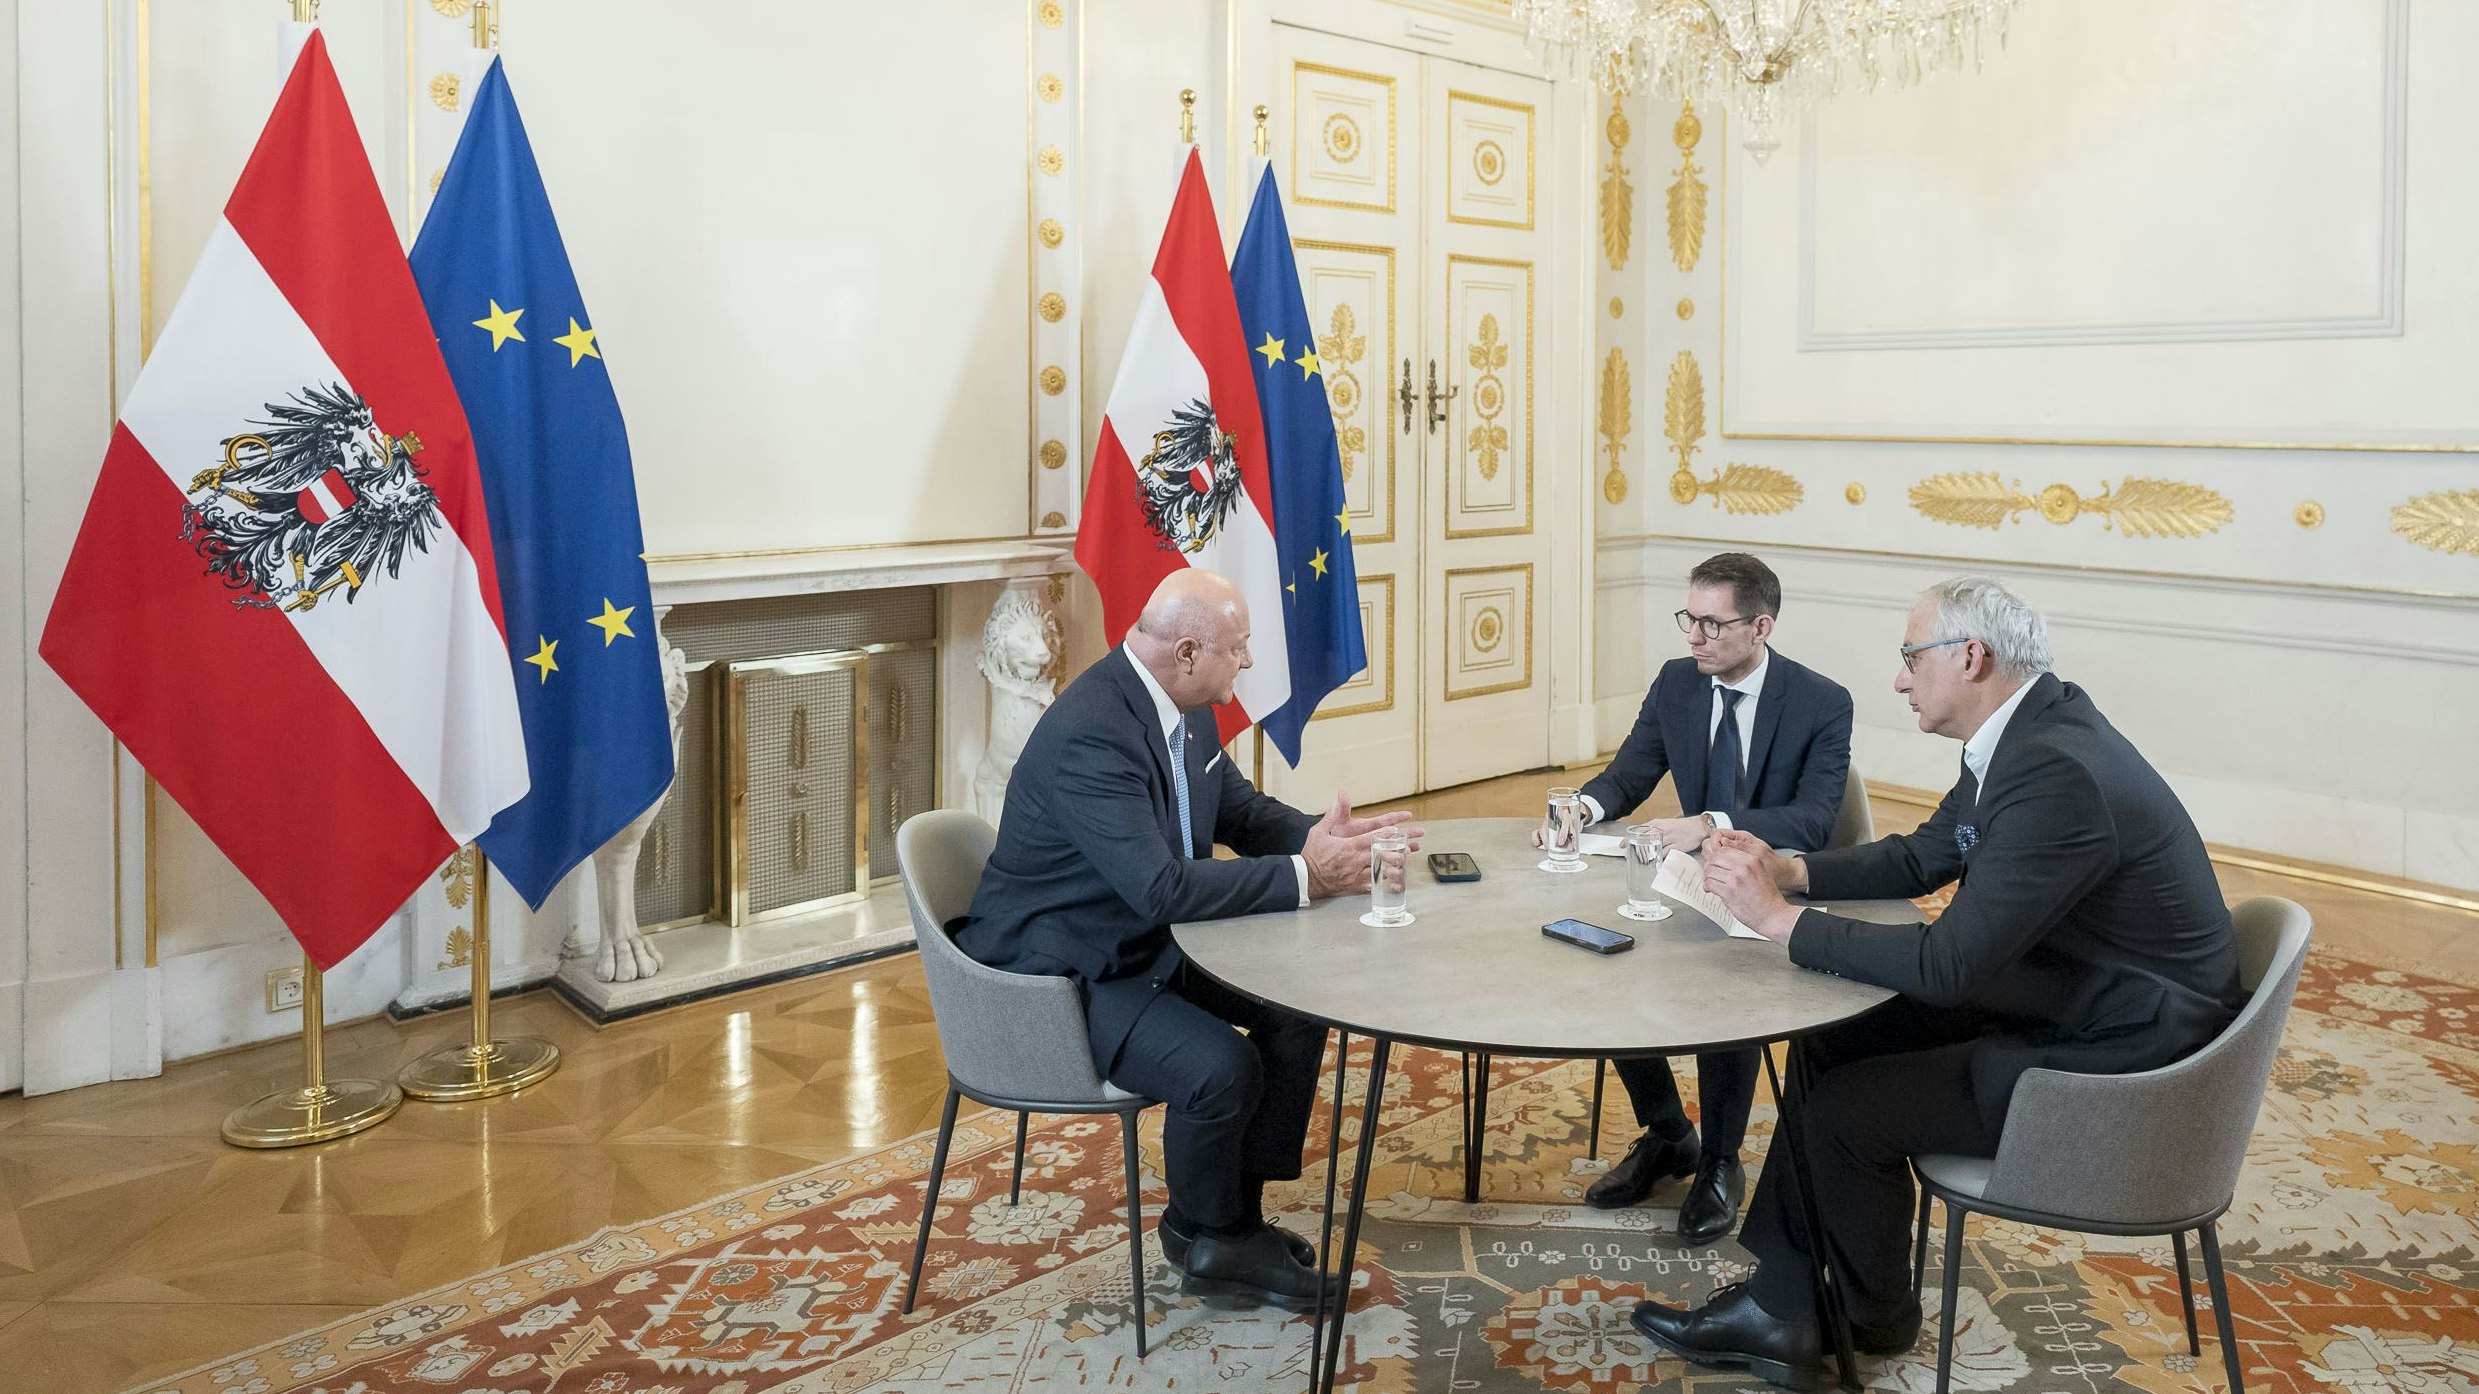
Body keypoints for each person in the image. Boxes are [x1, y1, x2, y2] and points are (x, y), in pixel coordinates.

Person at [1630, 576, 2245, 1391]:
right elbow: (1925, 854)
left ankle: (1809, 1314)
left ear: (1969, 655)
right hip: (2082, 991)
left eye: (1909, 658)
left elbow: (1948, 966)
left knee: (1851, 1109)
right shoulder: (2028, 732)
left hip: (2124, 1054)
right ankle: (1846, 1304)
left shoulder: (2054, 771)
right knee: (1836, 1038)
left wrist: (1778, 918)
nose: (1897, 679)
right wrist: (1792, 868)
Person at [953, 568, 1420, 1311]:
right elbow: (1161, 887)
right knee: (1219, 1066)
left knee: (1295, 1002)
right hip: (1066, 966)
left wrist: (1318, 838)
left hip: (1144, 939)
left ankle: (1224, 1222)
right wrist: (1308, 876)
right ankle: (1217, 1238)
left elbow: (1236, 811)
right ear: (1190, 650)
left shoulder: (1182, 700)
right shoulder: (1092, 735)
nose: (1248, 663)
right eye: (1239, 649)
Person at [1553, 552, 1853, 1243]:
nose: (1694, 638)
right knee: (1606, 961)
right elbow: (1630, 772)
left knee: (1729, 989)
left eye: (1713, 625)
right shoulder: (1677, 683)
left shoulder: (1819, 701)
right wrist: (1581, 812)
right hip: (1688, 877)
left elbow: (1811, 818)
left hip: (1771, 883)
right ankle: (1668, 1135)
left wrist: (1710, 825)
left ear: (1760, 627)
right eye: (1689, 618)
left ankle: (1721, 1160)